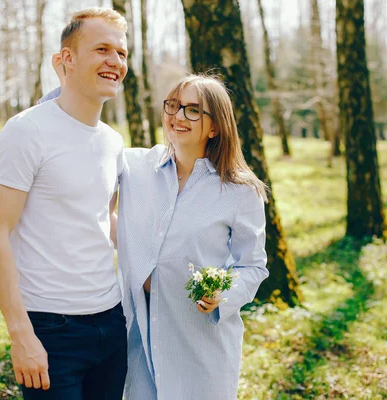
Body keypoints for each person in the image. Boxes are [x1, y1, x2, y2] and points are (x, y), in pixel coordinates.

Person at [0, 7, 129, 399]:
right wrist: (21, 334)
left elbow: (102, 216)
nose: (115, 61)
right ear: (66, 59)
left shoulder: (113, 142)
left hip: (112, 322)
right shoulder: (27, 131)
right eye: (101, 49)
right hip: (51, 329)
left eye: (121, 53)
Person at [118, 74, 270, 400]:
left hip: (200, 342)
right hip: (141, 334)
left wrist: (222, 295)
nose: (177, 116)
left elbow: (253, 266)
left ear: (215, 127)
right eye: (172, 105)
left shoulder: (241, 191)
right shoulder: (134, 166)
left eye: (192, 110)